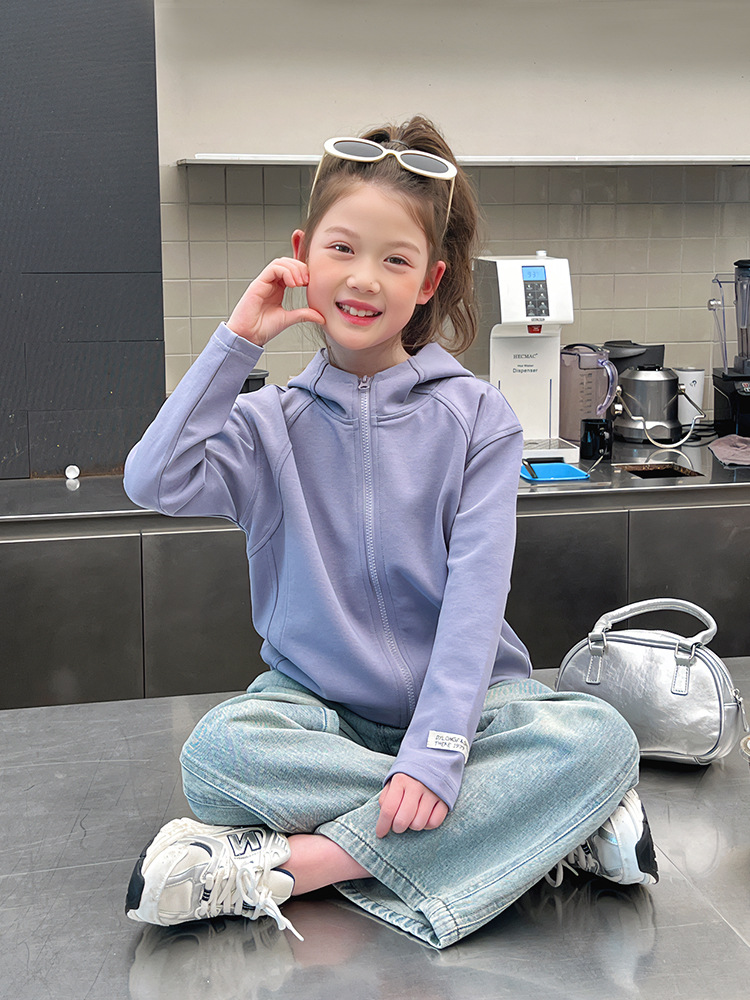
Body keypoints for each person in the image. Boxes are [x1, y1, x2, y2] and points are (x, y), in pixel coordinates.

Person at [123, 116, 657, 949]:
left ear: (430, 280)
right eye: (341, 248)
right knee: (219, 755)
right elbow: (152, 480)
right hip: (322, 716)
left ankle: (295, 865)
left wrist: (438, 752)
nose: (364, 278)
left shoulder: (479, 417)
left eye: (396, 260)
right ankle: (542, 829)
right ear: (302, 254)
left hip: (475, 710)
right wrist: (237, 341)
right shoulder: (267, 425)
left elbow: (476, 602)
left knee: (599, 738)